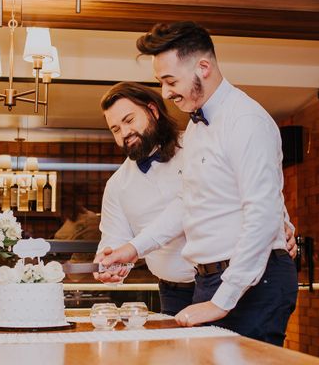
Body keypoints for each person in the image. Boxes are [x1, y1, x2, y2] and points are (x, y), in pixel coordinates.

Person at [98, 21, 298, 346]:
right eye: (161, 83)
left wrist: (222, 300)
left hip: (253, 281)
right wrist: (133, 249)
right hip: (209, 278)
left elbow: (262, 215)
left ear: (203, 67)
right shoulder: (197, 128)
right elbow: (186, 205)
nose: (165, 93)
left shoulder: (246, 121)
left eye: (170, 81)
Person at [97, 81, 196, 315]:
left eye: (129, 120)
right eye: (115, 129)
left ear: (153, 111)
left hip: (222, 281)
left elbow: (188, 207)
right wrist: (108, 262)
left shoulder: (196, 146)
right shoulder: (117, 185)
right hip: (173, 292)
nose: (125, 133)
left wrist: (281, 223)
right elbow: (114, 238)